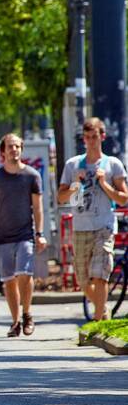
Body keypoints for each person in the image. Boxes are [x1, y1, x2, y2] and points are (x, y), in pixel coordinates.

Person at [58, 117, 128, 320]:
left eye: (94, 137)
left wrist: (104, 183)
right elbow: (62, 198)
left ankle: (98, 320)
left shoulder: (112, 164)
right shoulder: (73, 165)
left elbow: (123, 198)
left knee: (101, 274)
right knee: (82, 279)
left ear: (102, 137)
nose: (91, 141)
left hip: (104, 226)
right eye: (87, 138)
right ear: (84, 140)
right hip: (80, 227)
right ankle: (102, 308)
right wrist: (75, 184)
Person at [0, 133, 47, 337]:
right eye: (10, 147)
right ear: (3, 152)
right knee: (9, 280)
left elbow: (38, 208)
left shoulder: (32, 176)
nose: (14, 150)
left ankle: (28, 314)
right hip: (2, 236)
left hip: (25, 234)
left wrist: (39, 233)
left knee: (25, 274)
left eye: (17, 146)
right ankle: (15, 321)